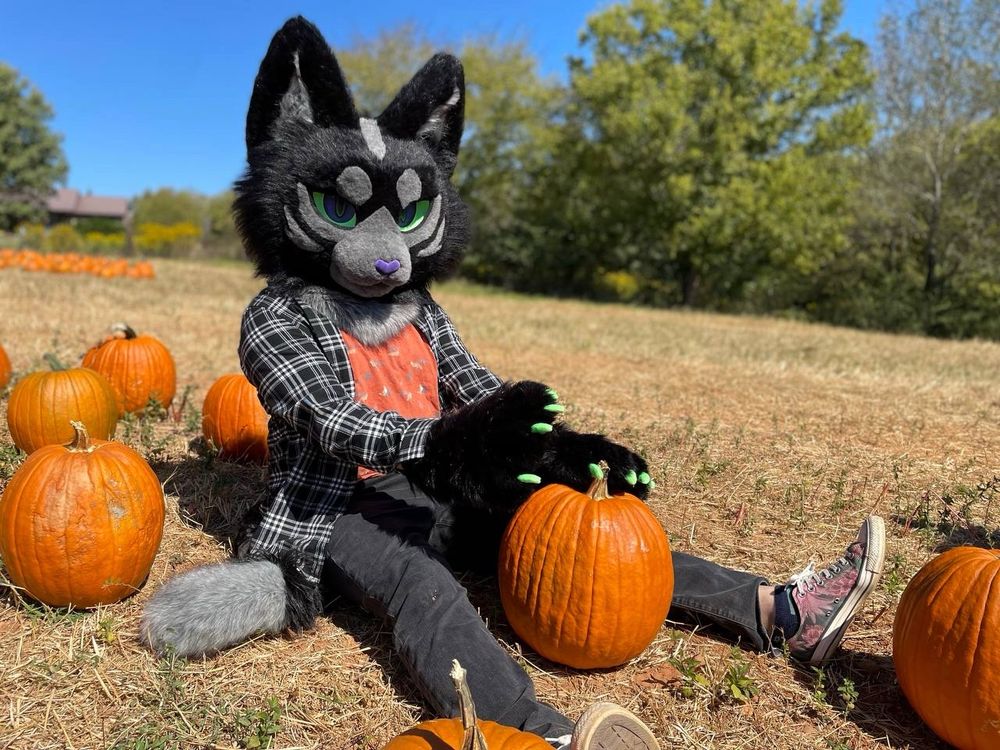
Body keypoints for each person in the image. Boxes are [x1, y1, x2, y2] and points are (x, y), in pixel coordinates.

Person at [139, 18, 886, 750]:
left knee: (567, 530)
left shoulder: (419, 310)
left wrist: (552, 448)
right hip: (339, 502)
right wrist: (440, 442)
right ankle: (533, 735)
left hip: (431, 481)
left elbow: (476, 384)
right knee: (421, 585)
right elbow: (325, 417)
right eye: (342, 208)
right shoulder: (275, 313)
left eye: (406, 215)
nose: (383, 250)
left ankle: (779, 611)